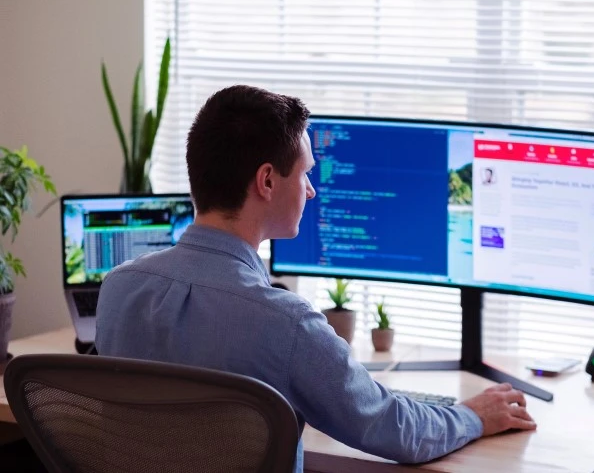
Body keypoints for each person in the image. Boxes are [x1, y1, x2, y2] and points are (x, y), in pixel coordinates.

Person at [95, 85, 536, 472]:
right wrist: (474, 416)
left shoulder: (118, 288)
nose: (311, 189)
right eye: (305, 172)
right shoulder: (284, 323)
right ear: (267, 180)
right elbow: (393, 428)